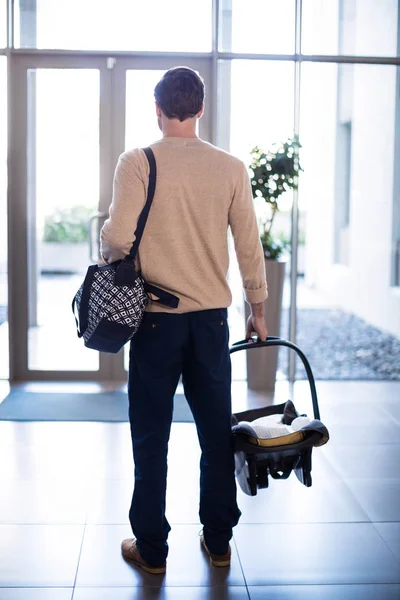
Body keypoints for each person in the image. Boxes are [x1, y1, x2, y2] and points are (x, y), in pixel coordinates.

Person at [100, 66, 268, 575]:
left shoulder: (138, 162)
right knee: (216, 431)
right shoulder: (230, 167)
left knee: (151, 436)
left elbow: (115, 240)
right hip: (211, 321)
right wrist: (257, 310)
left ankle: (151, 549)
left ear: (157, 108)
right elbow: (248, 246)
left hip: (153, 321)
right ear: (199, 109)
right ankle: (218, 540)